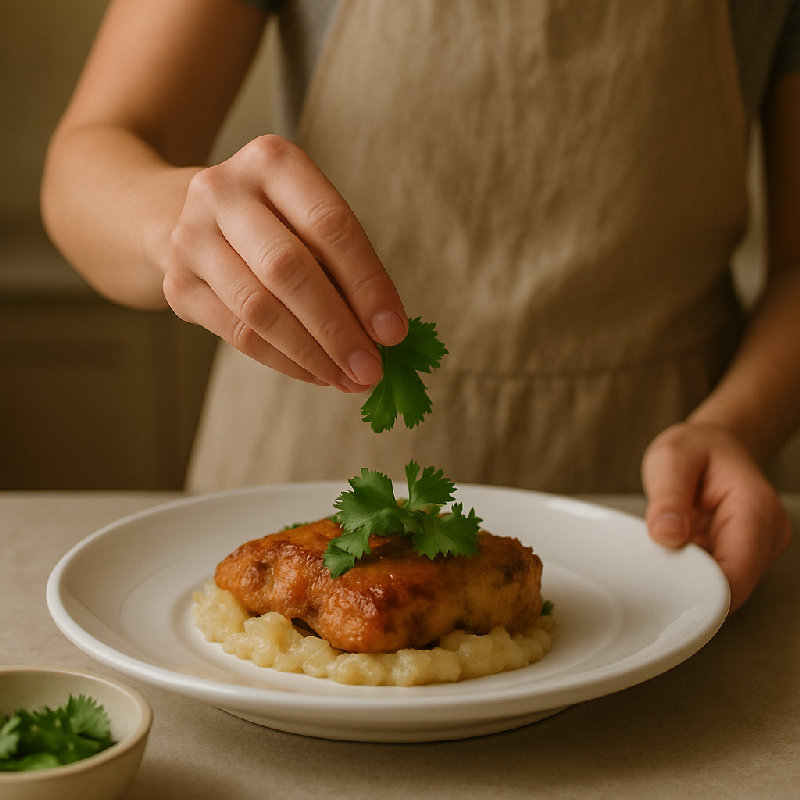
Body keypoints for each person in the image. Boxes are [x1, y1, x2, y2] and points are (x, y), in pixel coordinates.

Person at [41, 0, 800, 613]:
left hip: (656, 509)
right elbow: (91, 158)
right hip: (300, 456)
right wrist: (165, 219)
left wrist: (734, 426)